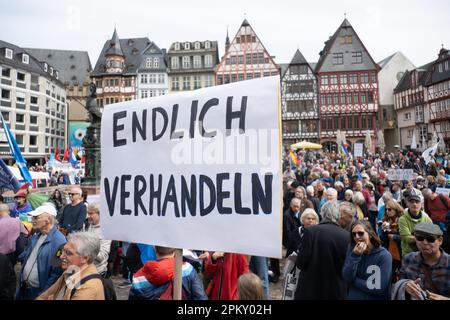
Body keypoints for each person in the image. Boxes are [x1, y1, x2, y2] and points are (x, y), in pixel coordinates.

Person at [294, 201, 350, 300]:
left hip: (310, 289)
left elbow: (301, 262)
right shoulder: (346, 236)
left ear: (322, 213)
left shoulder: (311, 232)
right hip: (334, 290)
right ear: (338, 215)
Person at [17, 204, 66, 300]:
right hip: (24, 289)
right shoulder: (36, 235)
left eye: (36, 217)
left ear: (48, 219)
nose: (33, 220)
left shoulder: (60, 240)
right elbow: (28, 254)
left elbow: (56, 273)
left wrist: (44, 294)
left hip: (38, 293)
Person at [37, 232, 105, 300]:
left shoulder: (88, 288)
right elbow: (44, 296)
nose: (61, 256)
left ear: (85, 258)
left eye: (68, 253)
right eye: (63, 251)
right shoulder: (70, 271)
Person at [393, 222, 450, 300]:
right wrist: (405, 286)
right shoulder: (408, 259)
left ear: (440, 240)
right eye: (420, 238)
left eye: (430, 239)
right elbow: (400, 282)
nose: (425, 242)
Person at [129, 246, 207, 300]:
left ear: (155, 249)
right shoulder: (187, 269)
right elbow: (200, 297)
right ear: (175, 250)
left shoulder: (138, 278)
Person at [342, 220, 392, 300]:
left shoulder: (384, 255)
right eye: (354, 234)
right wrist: (355, 256)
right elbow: (346, 277)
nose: (357, 237)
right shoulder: (352, 250)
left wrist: (353, 280)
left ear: (370, 234)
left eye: (360, 233)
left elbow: (378, 287)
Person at [85, 203, 111, 278]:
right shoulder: (87, 225)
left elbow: (102, 256)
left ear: (99, 213)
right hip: (86, 269)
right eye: (88, 213)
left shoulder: (105, 230)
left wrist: (86, 248)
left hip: (98, 272)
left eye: (91, 214)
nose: (88, 216)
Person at [380, 199, 404, 282]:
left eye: (389, 209)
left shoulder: (402, 220)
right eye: (386, 209)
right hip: (389, 251)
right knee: (391, 275)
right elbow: (383, 240)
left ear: (396, 209)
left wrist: (394, 237)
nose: (387, 211)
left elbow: (406, 237)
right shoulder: (386, 221)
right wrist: (383, 230)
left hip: (401, 252)